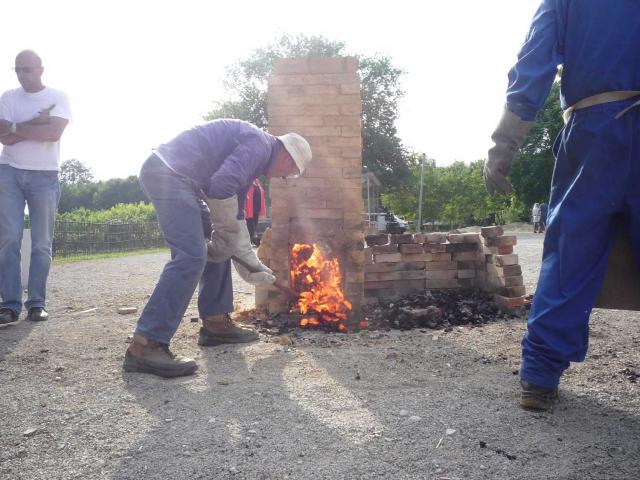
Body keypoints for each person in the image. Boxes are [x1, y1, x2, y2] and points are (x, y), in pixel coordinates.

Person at [484, 0, 640, 411]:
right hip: (601, 126)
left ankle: (539, 376)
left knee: (570, 254)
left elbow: (533, 65)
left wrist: (504, 147)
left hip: (594, 132)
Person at [122, 119, 312, 378]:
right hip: (170, 175)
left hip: (184, 180)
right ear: (288, 157)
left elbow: (235, 212)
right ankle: (146, 344)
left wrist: (245, 254)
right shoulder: (260, 145)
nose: (282, 177)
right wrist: (230, 233)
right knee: (191, 256)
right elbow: (221, 185)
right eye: (288, 172)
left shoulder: (259, 153)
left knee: (219, 247)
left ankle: (215, 322)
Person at [0, 50, 71, 325]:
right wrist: (35, 122)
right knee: (8, 239)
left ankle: (37, 303)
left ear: (41, 69)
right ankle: (9, 305)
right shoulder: (8, 97)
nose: (21, 74)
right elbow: (4, 138)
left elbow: (53, 133)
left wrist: (16, 128)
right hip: (9, 172)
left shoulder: (58, 97)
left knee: (42, 243)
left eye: (27, 69)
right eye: (17, 69)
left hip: (45, 175)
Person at [245, 178, 265, 245]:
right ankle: (251, 242)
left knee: (254, 227)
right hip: (248, 209)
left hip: (255, 209)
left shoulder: (256, 181)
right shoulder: (247, 179)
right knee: (250, 227)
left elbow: (261, 192)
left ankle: (253, 240)